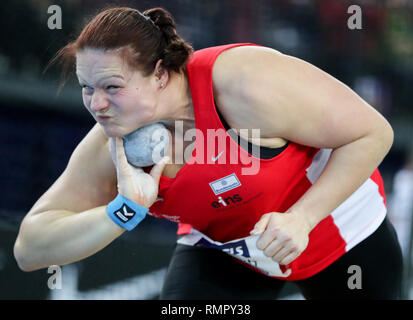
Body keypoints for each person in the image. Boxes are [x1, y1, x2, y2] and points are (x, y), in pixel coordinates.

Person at [13, 7, 402, 299]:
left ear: (161, 74)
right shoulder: (109, 147)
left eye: (112, 87)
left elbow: (372, 133)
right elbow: (30, 249)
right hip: (232, 253)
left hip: (341, 234)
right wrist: (123, 211)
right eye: (86, 88)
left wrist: (302, 218)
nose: (97, 105)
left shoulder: (245, 83)